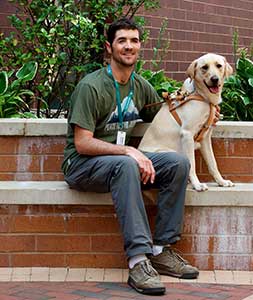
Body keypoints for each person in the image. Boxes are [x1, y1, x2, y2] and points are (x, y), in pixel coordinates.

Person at [62, 17, 200, 295]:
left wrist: (199, 110)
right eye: (122, 40)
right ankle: (138, 260)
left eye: (134, 41)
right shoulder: (92, 87)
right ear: (109, 47)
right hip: (81, 165)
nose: (129, 46)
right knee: (125, 165)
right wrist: (129, 150)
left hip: (118, 164)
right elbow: (82, 143)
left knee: (177, 164)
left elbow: (166, 116)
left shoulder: (140, 86)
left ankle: (161, 250)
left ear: (140, 47)